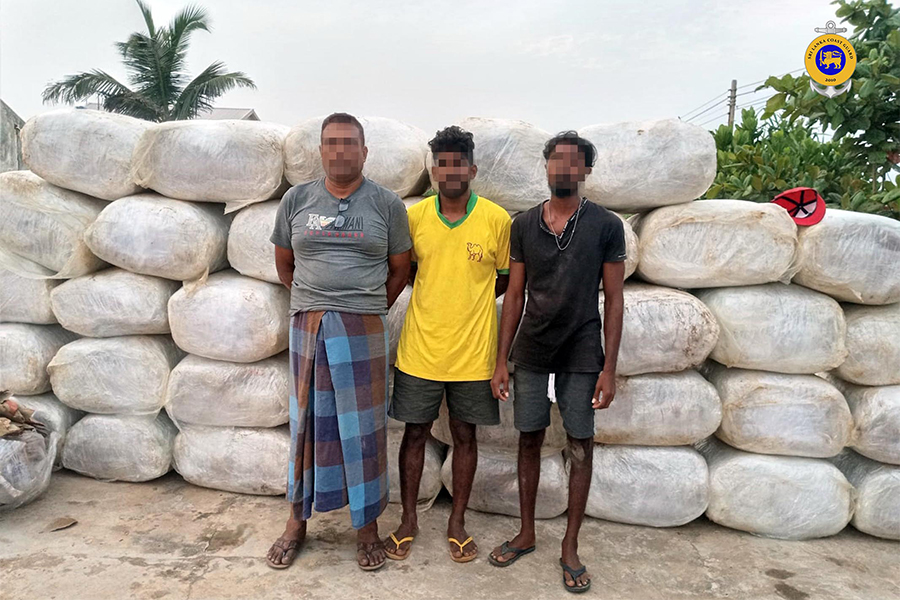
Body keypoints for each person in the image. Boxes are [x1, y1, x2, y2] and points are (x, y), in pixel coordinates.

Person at [267, 112, 412, 572]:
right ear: (321, 150)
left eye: (349, 143)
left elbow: (400, 269)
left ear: (365, 151)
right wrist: (315, 301)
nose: (340, 151)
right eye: (331, 143)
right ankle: (296, 522)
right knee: (306, 422)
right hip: (308, 323)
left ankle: (366, 527)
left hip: (364, 326)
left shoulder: (386, 204)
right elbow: (284, 263)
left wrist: (365, 306)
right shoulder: (297, 199)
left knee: (363, 430)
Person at [488, 131, 626, 593]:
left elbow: (614, 299)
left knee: (580, 444)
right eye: (556, 160)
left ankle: (570, 545)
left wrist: (608, 367)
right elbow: (515, 296)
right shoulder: (524, 224)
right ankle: (527, 532)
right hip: (531, 349)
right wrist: (501, 359)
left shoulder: (606, 225)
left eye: (574, 161)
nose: (564, 167)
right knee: (528, 438)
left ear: (586, 170)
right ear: (545, 166)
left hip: (582, 351)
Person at [384, 125, 511, 564]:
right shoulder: (414, 217)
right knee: (414, 434)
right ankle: (408, 521)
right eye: (442, 163)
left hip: (474, 355)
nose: (450, 170)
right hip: (420, 350)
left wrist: (466, 305)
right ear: (434, 170)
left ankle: (457, 522)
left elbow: (506, 282)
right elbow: (405, 271)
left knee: (464, 436)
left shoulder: (496, 220)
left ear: (472, 169)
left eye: (458, 162)